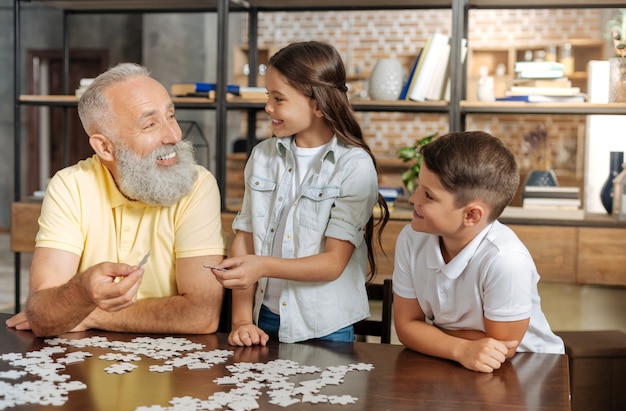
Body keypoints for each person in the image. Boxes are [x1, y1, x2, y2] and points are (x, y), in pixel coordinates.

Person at [6, 63, 226, 337]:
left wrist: (86, 311)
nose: (174, 135)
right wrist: (82, 290)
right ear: (105, 147)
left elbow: (201, 316)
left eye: (171, 115)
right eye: (150, 124)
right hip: (83, 372)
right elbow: (42, 313)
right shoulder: (69, 185)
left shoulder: (198, 184)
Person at [210, 41, 389, 346]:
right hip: (263, 317)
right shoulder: (262, 156)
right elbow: (246, 237)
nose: (268, 107)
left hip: (325, 325)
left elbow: (333, 263)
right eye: (268, 96)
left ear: (318, 105)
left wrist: (262, 265)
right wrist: (241, 320)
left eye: (278, 99)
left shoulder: (354, 166)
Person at [393, 131, 564, 373]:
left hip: (528, 368)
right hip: (459, 361)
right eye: (420, 188)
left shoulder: (506, 260)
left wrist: (428, 333)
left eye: (429, 195)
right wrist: (460, 348)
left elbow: (499, 349)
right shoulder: (412, 239)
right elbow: (405, 327)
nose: (414, 199)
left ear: (472, 215)